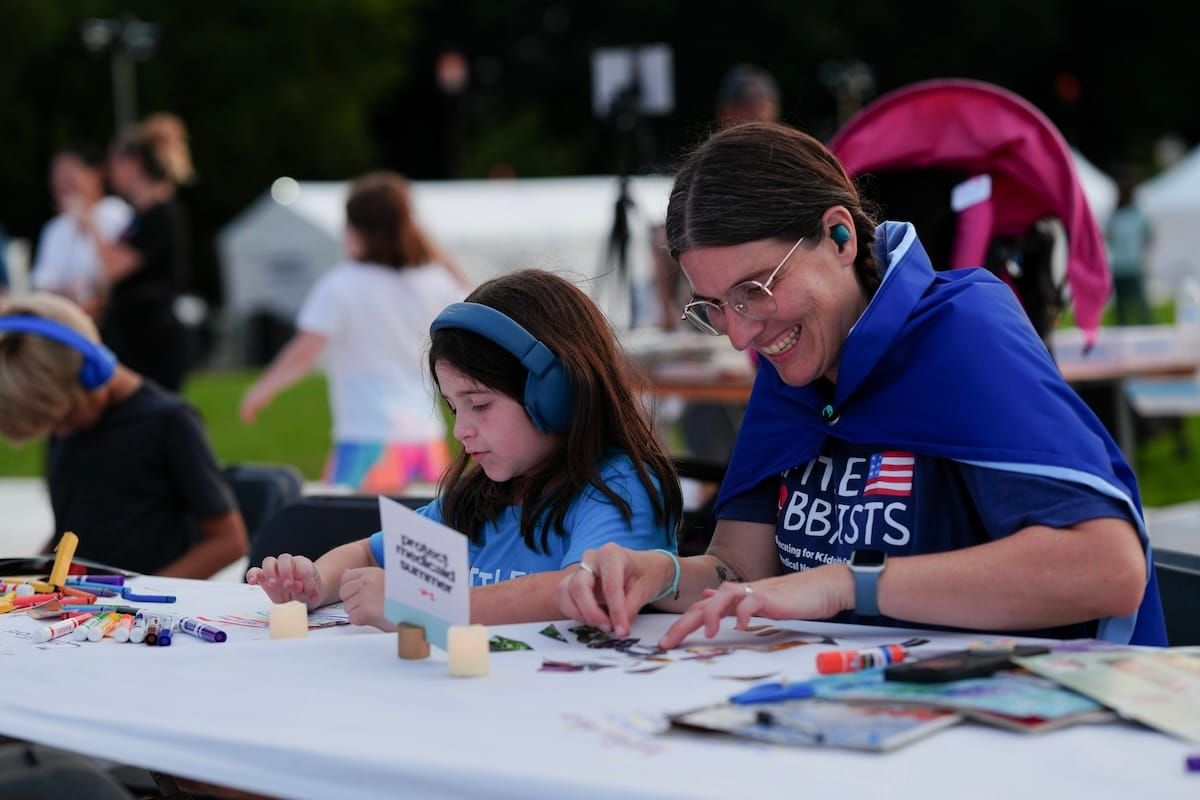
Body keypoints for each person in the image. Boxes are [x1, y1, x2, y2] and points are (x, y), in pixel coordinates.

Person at [558, 122, 1167, 648]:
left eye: (755, 289)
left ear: (841, 237)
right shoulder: (793, 353)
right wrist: (656, 574)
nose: (741, 336)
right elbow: (742, 569)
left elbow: (1108, 566)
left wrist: (848, 582)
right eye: (715, 306)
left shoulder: (961, 330)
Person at [247, 269, 682, 628]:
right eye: (455, 409)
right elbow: (368, 552)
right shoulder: (479, 500)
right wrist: (315, 582)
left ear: (557, 393)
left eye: (479, 404)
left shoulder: (618, 489)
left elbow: (583, 589)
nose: (461, 431)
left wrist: (427, 606)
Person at [239, 172, 465, 493]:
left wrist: (263, 389)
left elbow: (304, 352)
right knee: (425, 535)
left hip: (366, 437)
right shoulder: (434, 279)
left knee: (350, 530)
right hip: (425, 437)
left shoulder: (342, 284)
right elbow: (470, 299)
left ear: (357, 230)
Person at [0, 292, 248, 578]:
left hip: (140, 613)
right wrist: (30, 578)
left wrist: (138, 595)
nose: (60, 430)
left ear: (93, 372)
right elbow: (71, 529)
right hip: (82, 605)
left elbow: (229, 541)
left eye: (65, 416)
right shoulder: (68, 423)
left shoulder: (169, 422)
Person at [91, 113, 194, 392]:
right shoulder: (139, 218)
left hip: (152, 340)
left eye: (115, 162)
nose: (110, 171)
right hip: (133, 335)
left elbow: (115, 267)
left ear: (133, 164)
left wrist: (88, 222)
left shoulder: (161, 214)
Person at [30, 143, 132, 320]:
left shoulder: (117, 213)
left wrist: (89, 225)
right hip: (65, 322)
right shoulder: (54, 229)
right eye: (57, 177)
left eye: (70, 175)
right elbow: (41, 284)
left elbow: (119, 271)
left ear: (96, 174)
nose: (62, 184)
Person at [1106, 175, 1153, 326]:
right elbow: (1109, 236)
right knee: (1121, 310)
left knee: (1140, 306)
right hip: (1119, 266)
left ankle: (1147, 332)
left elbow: (1148, 236)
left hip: (1133, 266)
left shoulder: (1138, 214)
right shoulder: (1115, 215)